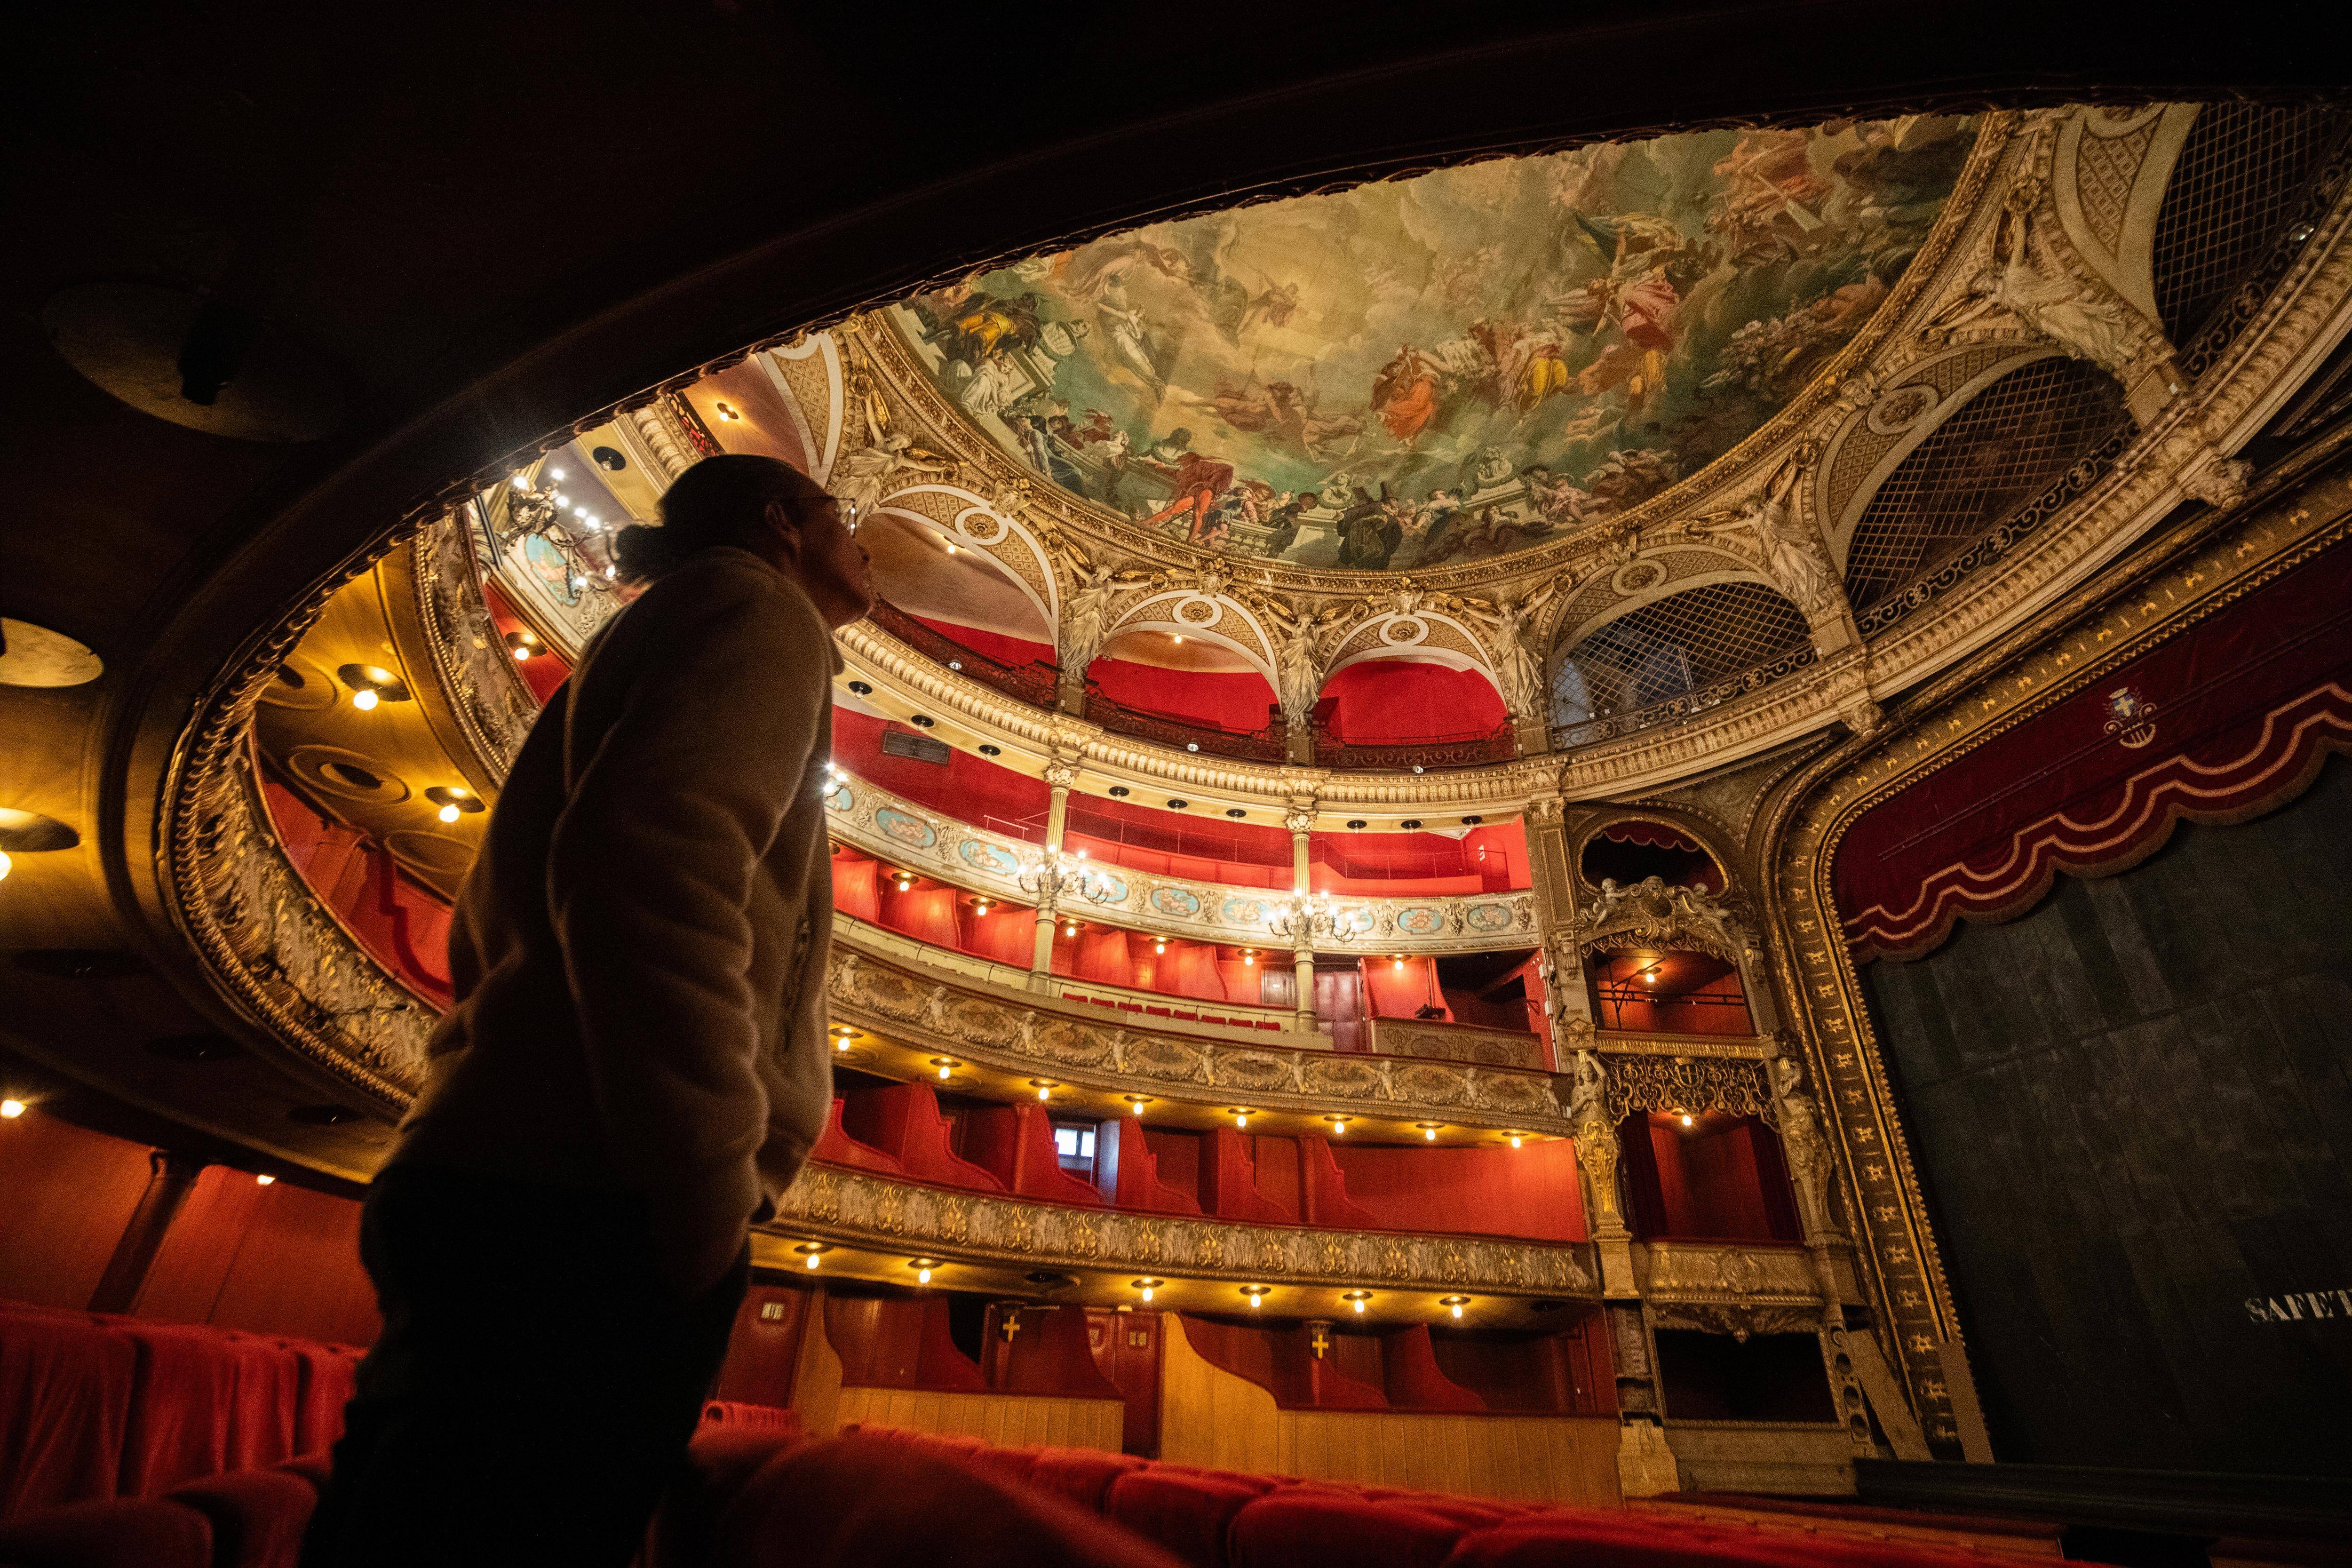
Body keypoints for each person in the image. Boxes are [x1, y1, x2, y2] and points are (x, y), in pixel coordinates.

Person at [302, 454, 874, 1568]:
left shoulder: (674, 615)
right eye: (843, 521)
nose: (865, 549)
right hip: (588, 1192)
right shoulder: (759, 607)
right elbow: (650, 860)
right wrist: (704, 1176)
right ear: (782, 524)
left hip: (514, 1166)